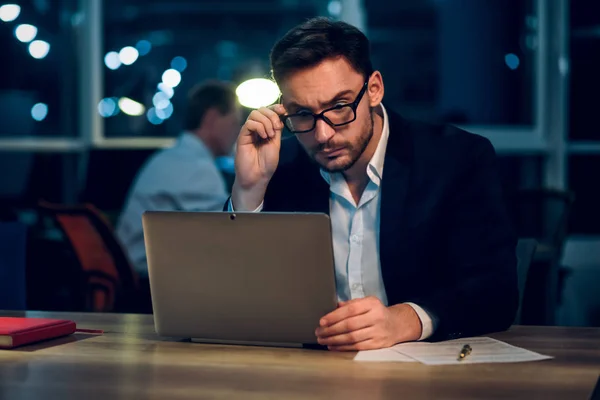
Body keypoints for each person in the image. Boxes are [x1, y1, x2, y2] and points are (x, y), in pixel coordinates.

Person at [227, 17, 518, 351]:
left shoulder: (456, 159)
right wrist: (249, 190)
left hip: (426, 374)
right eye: (303, 114)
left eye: (338, 106)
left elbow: (496, 290)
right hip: (310, 369)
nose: (323, 135)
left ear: (374, 89)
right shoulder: (279, 164)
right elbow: (235, 296)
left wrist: (403, 321)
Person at [118, 80, 241, 279]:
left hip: (135, 271)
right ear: (211, 119)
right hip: (148, 282)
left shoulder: (172, 156)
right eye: (234, 122)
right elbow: (231, 231)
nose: (237, 132)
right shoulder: (195, 166)